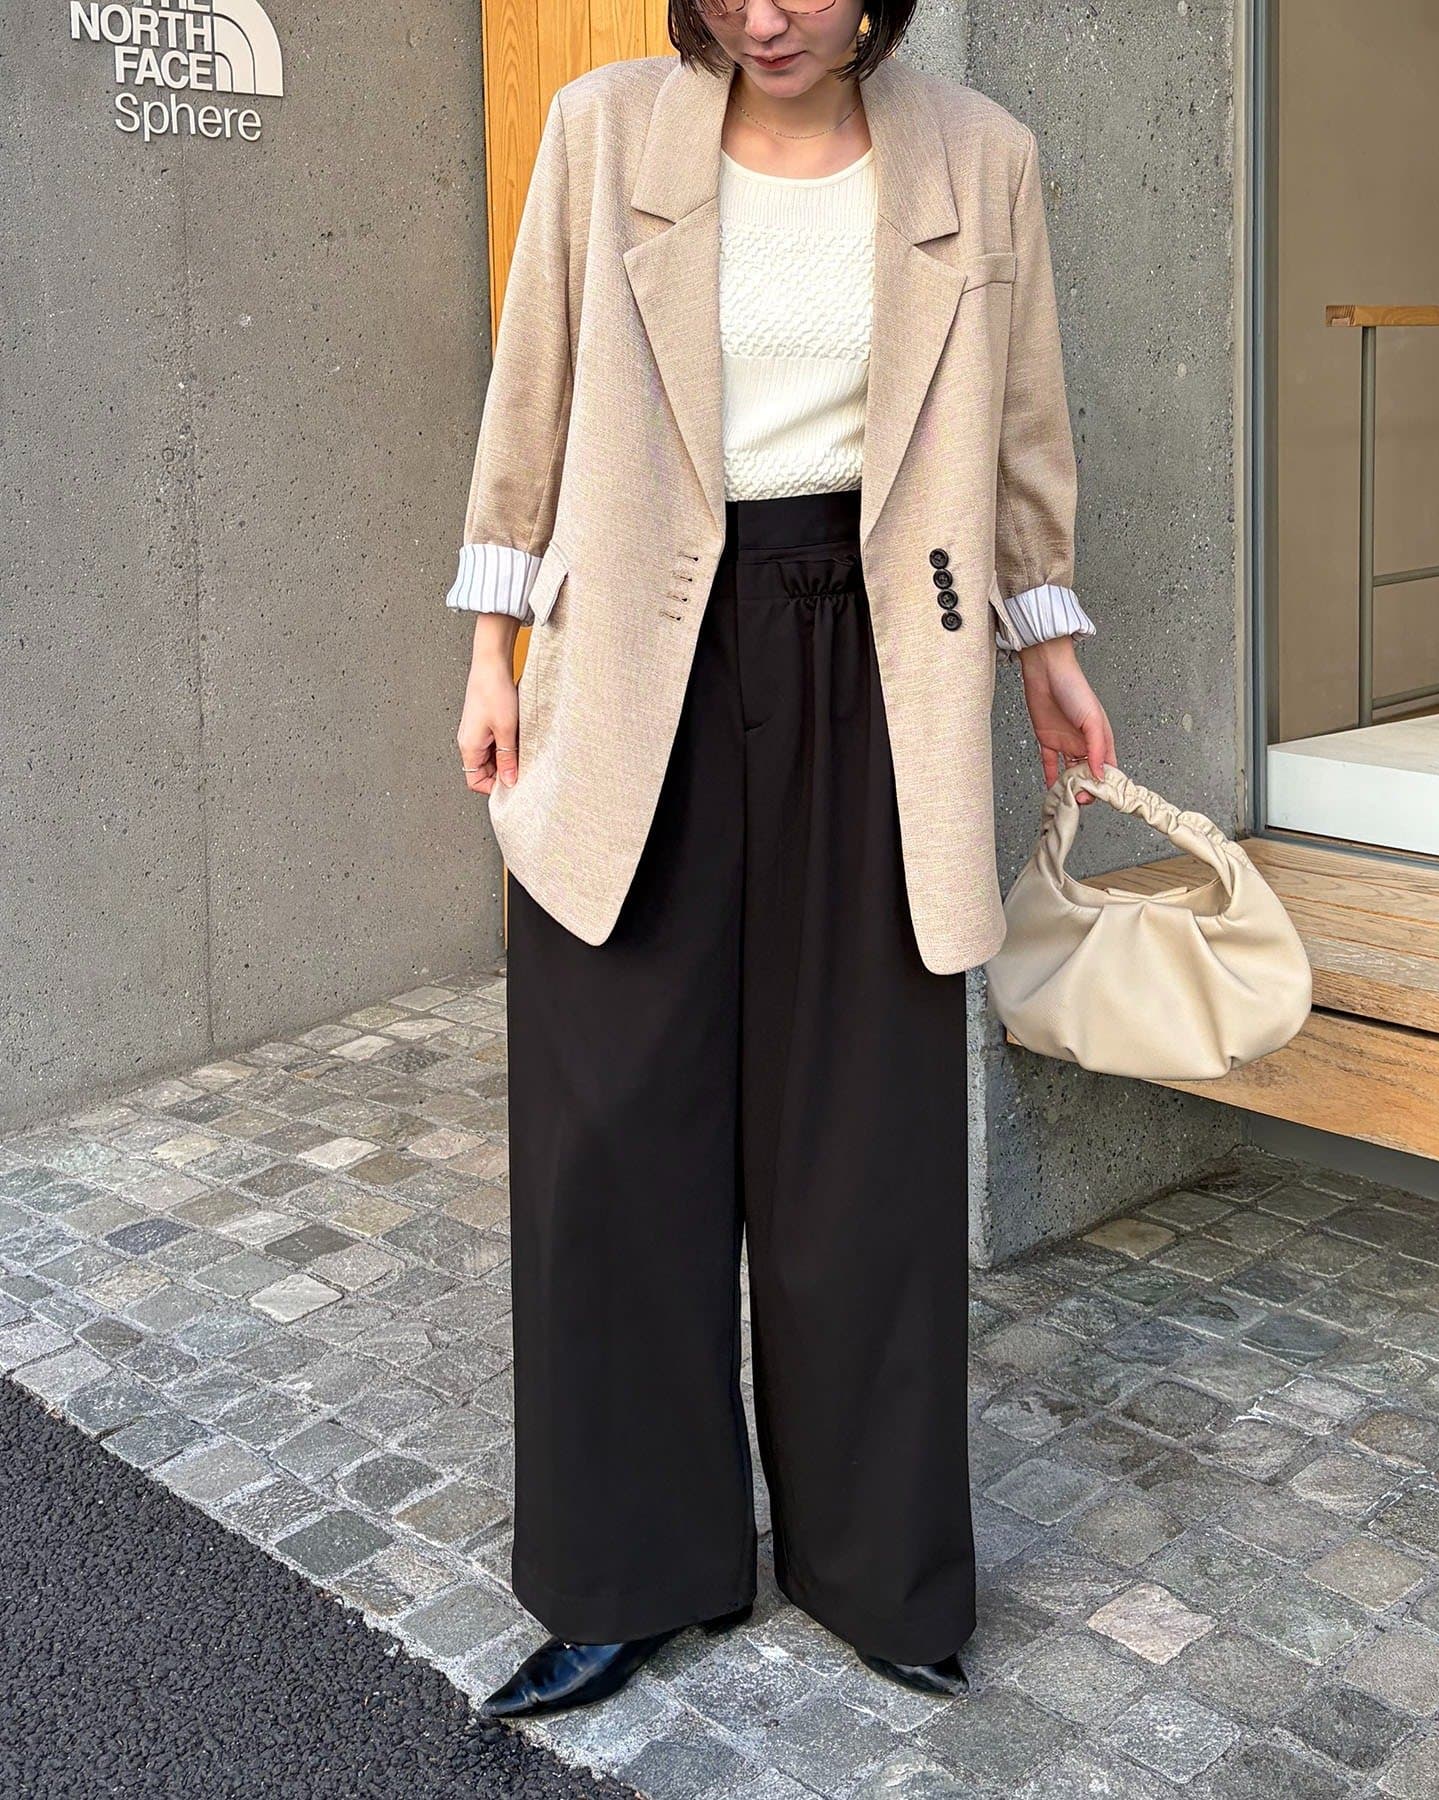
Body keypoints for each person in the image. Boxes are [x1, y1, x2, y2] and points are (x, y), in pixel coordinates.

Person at [446, 0, 1117, 1722]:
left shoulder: (981, 158)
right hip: (635, 657)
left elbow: (1022, 429)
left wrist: (1046, 654)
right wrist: (490, 650)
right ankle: (626, 1573)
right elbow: (533, 388)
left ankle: (877, 1568)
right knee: (610, 1127)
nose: (766, 15)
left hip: (879, 656)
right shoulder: (604, 132)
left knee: (863, 1132)